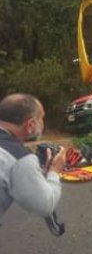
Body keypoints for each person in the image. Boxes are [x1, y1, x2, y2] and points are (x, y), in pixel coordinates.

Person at [0, 93, 66, 222]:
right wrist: (54, 170)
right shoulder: (18, 157)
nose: (43, 123)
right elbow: (45, 205)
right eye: (42, 118)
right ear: (30, 125)